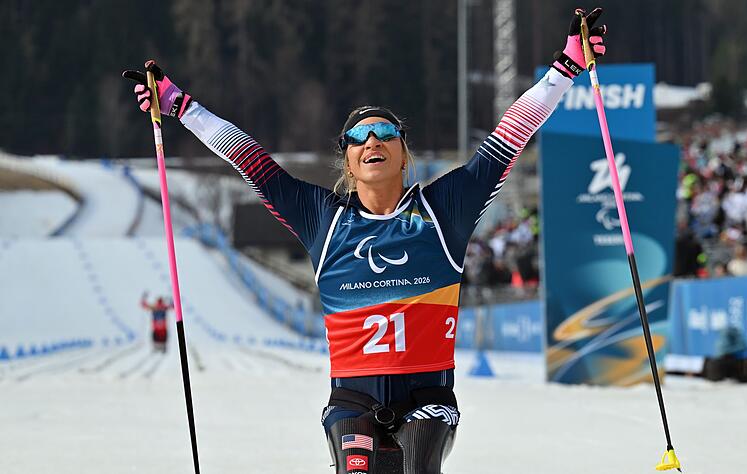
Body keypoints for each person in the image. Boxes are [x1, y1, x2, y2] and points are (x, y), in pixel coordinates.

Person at [123, 8, 607, 473]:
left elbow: (511, 133)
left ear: (402, 153)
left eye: (384, 132)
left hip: (428, 399)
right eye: (359, 136)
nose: (372, 140)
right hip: (352, 399)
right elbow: (250, 160)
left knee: (418, 465)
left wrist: (565, 67)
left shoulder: (442, 212)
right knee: (358, 468)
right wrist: (179, 107)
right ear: (348, 160)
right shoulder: (323, 221)